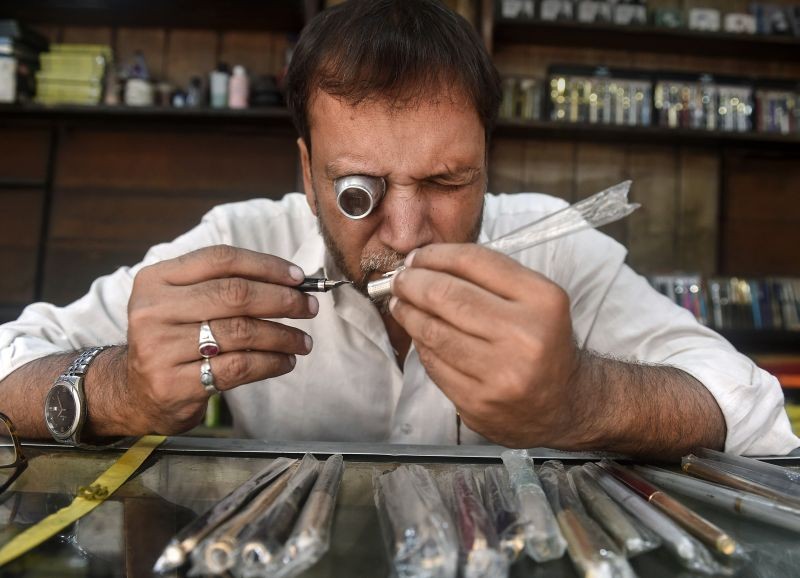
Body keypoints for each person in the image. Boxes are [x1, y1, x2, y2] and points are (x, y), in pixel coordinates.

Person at [0, 0, 796, 458]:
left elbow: (756, 413)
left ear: (487, 158)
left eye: (448, 182)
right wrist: (118, 388)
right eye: (357, 192)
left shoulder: (555, 244)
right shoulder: (241, 240)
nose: (409, 232)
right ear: (307, 169)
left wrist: (583, 399)